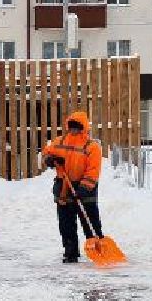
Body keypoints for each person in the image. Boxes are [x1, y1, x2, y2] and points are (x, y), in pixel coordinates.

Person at [42, 111, 104, 263]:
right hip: (64, 187)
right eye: (71, 126)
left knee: (90, 221)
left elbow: (93, 170)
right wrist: (48, 159)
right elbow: (46, 152)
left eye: (77, 127)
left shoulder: (92, 146)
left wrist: (84, 187)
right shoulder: (60, 141)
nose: (73, 130)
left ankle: (99, 249)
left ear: (83, 127)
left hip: (85, 189)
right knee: (66, 223)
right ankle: (70, 252)